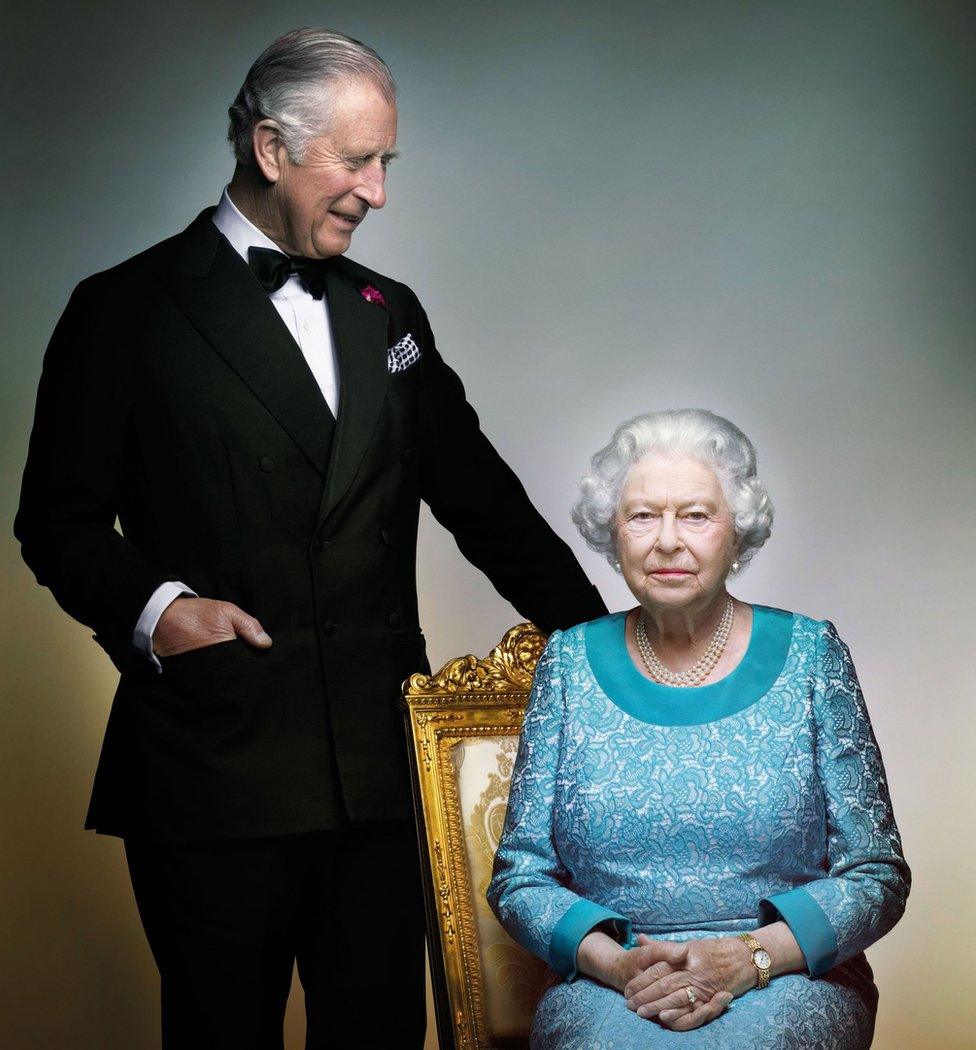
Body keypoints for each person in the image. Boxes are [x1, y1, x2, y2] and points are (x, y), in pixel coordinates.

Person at [14, 28, 607, 1050]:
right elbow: (55, 521)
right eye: (356, 161)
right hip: (213, 764)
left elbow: (483, 502)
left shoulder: (389, 314)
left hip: (380, 769)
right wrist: (160, 609)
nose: (377, 193)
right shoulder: (122, 311)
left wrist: (606, 648)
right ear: (269, 148)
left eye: (387, 163)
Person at [487, 408, 909, 1048]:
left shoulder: (812, 656)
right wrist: (619, 962)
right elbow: (519, 876)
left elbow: (876, 873)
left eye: (695, 514)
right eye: (642, 516)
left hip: (786, 974)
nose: (667, 540)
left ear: (737, 532)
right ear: (612, 534)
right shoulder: (568, 663)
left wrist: (750, 956)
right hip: (614, 984)